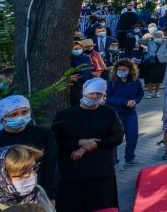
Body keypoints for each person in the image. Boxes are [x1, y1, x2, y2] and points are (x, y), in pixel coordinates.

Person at [51, 79, 123, 212]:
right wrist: (79, 143)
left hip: (101, 172)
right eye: (92, 93)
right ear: (84, 93)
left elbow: (117, 137)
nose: (95, 97)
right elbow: (54, 143)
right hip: (72, 174)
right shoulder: (65, 116)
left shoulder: (108, 113)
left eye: (99, 94)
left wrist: (89, 146)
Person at [0, 97, 58, 202]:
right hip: (3, 199)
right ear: (2, 117)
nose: (20, 117)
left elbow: (51, 166)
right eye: (13, 114)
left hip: (37, 195)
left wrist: (51, 196)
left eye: (24, 112)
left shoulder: (43, 134)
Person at [106, 59, 143, 169]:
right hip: (116, 112)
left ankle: (130, 158)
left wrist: (135, 101)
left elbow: (140, 93)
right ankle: (115, 162)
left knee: (132, 135)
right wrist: (124, 102)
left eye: (124, 69)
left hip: (131, 112)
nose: (121, 71)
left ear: (130, 70)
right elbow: (109, 98)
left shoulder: (135, 80)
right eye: (119, 69)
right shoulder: (111, 81)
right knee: (116, 137)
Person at [0, 144, 55, 212]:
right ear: (1, 179)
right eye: (24, 173)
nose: (33, 175)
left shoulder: (38, 192)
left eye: (33, 168)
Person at [139, 27, 167, 98]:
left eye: (159, 35)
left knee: (159, 77)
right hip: (151, 61)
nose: (157, 36)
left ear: (161, 36)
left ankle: (157, 92)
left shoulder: (164, 41)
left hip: (162, 60)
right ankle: (150, 92)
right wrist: (147, 37)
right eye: (156, 35)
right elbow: (141, 41)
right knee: (149, 77)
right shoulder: (150, 41)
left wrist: (165, 37)